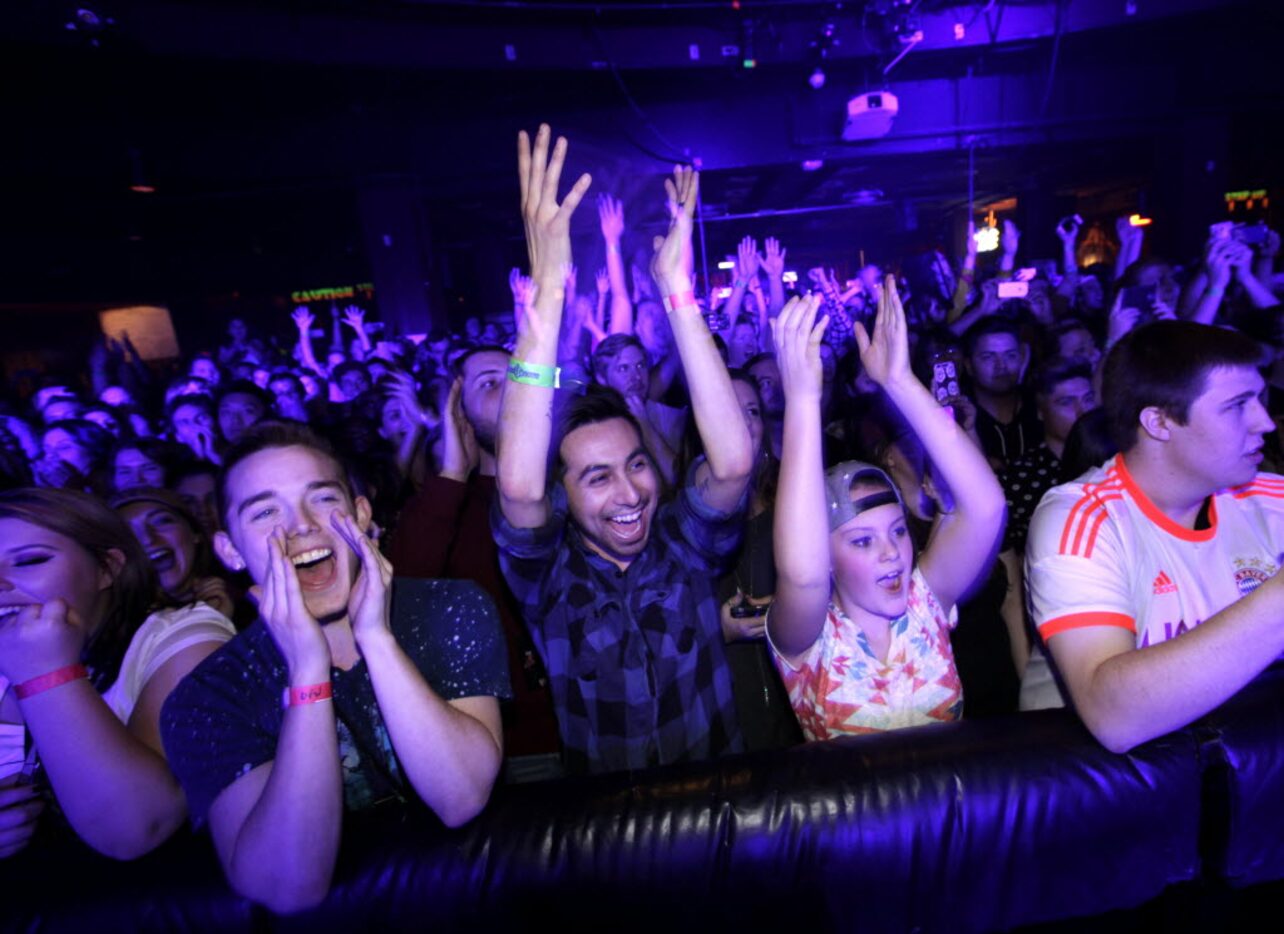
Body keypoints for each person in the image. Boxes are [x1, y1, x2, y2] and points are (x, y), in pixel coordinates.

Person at [160, 422, 508, 912]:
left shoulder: (449, 607)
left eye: (322, 498)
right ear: (231, 550)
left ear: (361, 514)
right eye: (264, 511)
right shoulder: (211, 696)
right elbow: (287, 887)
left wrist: (376, 637)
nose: (301, 525)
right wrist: (308, 673)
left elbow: (461, 797)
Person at [493, 125, 754, 773]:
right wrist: (549, 293)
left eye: (636, 464)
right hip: (614, 849)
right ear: (563, 493)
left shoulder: (682, 545)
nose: (630, 490)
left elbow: (734, 464)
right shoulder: (548, 581)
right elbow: (519, 489)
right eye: (597, 476)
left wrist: (678, 293)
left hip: (722, 814)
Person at [1025, 321, 1284, 753]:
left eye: (1259, 398)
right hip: (1106, 795)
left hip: (1241, 776)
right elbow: (1114, 716)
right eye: (1237, 405)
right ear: (1159, 422)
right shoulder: (1084, 517)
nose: (1264, 422)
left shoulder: (1271, 499)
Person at [768, 283, 1005, 739]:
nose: (892, 552)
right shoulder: (809, 638)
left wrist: (899, 380)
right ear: (827, 555)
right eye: (862, 540)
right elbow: (803, 576)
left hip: (949, 812)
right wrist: (801, 400)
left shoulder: (926, 603)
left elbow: (986, 508)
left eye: (897, 532)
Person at [0, 488, 235, 859]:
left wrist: (44, 674)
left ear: (106, 568)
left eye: (28, 561)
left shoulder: (186, 634)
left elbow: (140, 828)